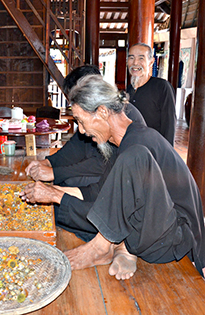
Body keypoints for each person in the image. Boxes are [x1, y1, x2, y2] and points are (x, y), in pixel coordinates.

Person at [21, 75, 205, 280]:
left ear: (102, 112)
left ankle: (103, 246)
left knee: (136, 157)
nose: (81, 131)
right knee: (61, 214)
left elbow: (112, 207)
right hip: (152, 228)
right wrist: (54, 195)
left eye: (81, 122)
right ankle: (116, 246)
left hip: (173, 238)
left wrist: (57, 196)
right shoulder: (122, 143)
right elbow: (101, 196)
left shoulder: (138, 143)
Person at [25, 65, 145, 188]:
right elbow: (75, 147)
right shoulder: (92, 114)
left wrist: (55, 173)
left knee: (66, 183)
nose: (81, 130)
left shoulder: (121, 116)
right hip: (102, 175)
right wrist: (48, 162)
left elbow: (102, 164)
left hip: (115, 180)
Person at [127, 43, 176, 145]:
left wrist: (166, 154)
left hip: (154, 149)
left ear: (151, 62)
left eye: (141, 58)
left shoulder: (162, 87)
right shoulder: (130, 89)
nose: (135, 63)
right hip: (132, 147)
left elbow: (169, 125)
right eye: (131, 58)